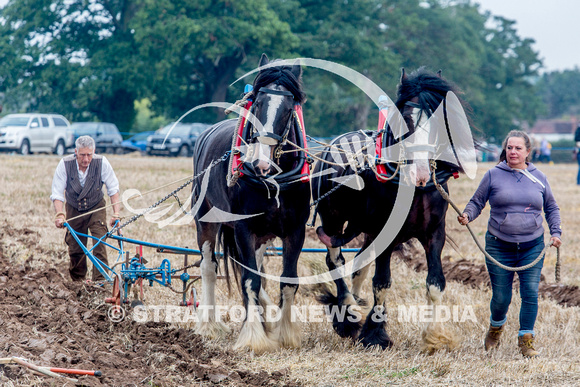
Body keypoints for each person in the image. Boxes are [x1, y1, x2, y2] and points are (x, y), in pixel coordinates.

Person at [457, 130, 562, 358]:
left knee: (530, 293)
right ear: (505, 150)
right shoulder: (493, 174)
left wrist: (556, 232)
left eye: (518, 148)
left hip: (532, 245)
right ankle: (496, 328)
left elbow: (551, 207)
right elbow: (477, 201)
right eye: (509, 148)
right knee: (501, 297)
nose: (512, 152)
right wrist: (468, 214)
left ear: (528, 152)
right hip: (498, 245)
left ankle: (526, 340)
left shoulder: (539, 177)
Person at [50, 135, 121, 282]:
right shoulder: (64, 164)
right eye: (82, 155)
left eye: (89, 155)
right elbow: (57, 193)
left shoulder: (102, 163)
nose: (86, 159)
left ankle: (100, 282)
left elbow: (113, 189)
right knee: (76, 248)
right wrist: (60, 215)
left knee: (99, 242)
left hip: (96, 207)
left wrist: (116, 214)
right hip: (73, 208)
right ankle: (78, 282)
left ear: (93, 151)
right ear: (76, 152)